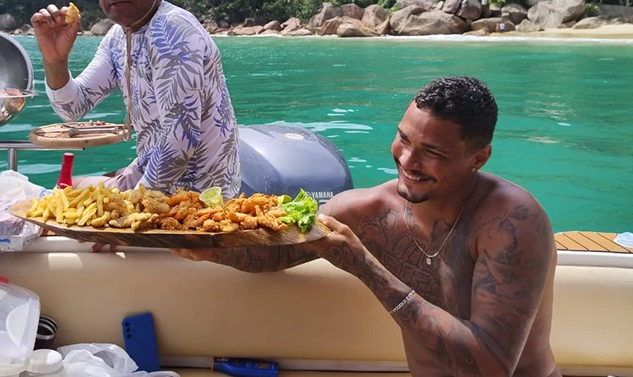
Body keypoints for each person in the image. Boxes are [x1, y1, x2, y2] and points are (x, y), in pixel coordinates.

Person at [174, 76, 560, 377]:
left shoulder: (510, 223)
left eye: (432, 152)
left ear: (479, 157)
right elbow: (274, 254)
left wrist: (364, 265)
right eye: (403, 139)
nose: (408, 160)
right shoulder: (367, 211)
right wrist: (206, 248)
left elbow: (490, 368)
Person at [30, 0, 240, 197]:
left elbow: (178, 146)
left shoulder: (172, 29)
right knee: (68, 188)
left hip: (196, 194)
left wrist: (129, 206)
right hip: (150, 171)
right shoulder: (118, 37)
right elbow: (72, 108)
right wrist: (55, 59)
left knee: (71, 200)